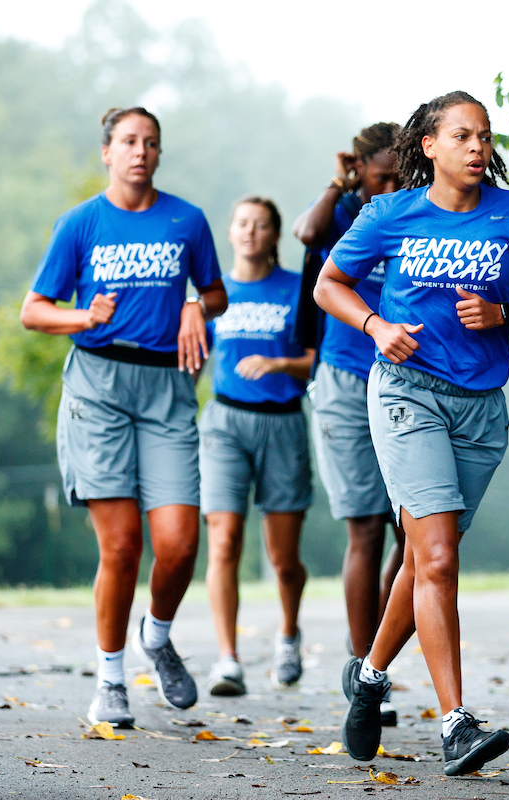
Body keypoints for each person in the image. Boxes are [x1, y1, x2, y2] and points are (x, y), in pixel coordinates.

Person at [314, 90, 509, 776]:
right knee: (438, 560)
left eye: (484, 136)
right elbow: (329, 284)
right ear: (428, 146)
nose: (478, 147)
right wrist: (375, 325)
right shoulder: (391, 214)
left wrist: (505, 313)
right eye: (462, 135)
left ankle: (368, 678)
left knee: (433, 556)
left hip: (482, 410)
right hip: (406, 395)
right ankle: (456, 723)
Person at [20, 107, 227, 728]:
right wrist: (82, 317)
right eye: (129, 142)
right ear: (107, 152)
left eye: (151, 143)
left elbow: (216, 291)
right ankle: (110, 678)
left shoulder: (186, 220)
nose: (140, 151)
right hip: (98, 386)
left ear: (159, 154)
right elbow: (34, 310)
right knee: (121, 545)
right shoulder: (80, 223)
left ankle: (156, 635)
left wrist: (197, 304)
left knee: (180, 542)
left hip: (166, 386)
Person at [293, 124, 406, 723]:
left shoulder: (416, 211)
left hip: (408, 380)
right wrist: (341, 186)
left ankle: (373, 651)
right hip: (343, 378)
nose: (389, 186)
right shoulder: (344, 213)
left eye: (397, 176)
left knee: (412, 537)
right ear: (359, 171)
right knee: (364, 529)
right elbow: (307, 236)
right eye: (379, 176)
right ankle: (366, 669)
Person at [202, 196, 314, 695]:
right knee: (224, 539)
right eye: (242, 223)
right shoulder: (213, 294)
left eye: (261, 225)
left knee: (282, 558)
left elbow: (318, 361)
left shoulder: (297, 290)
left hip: (282, 423)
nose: (250, 231)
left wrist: (279, 365)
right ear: (230, 232)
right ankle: (227, 658)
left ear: (274, 235)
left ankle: (288, 633)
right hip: (225, 422)